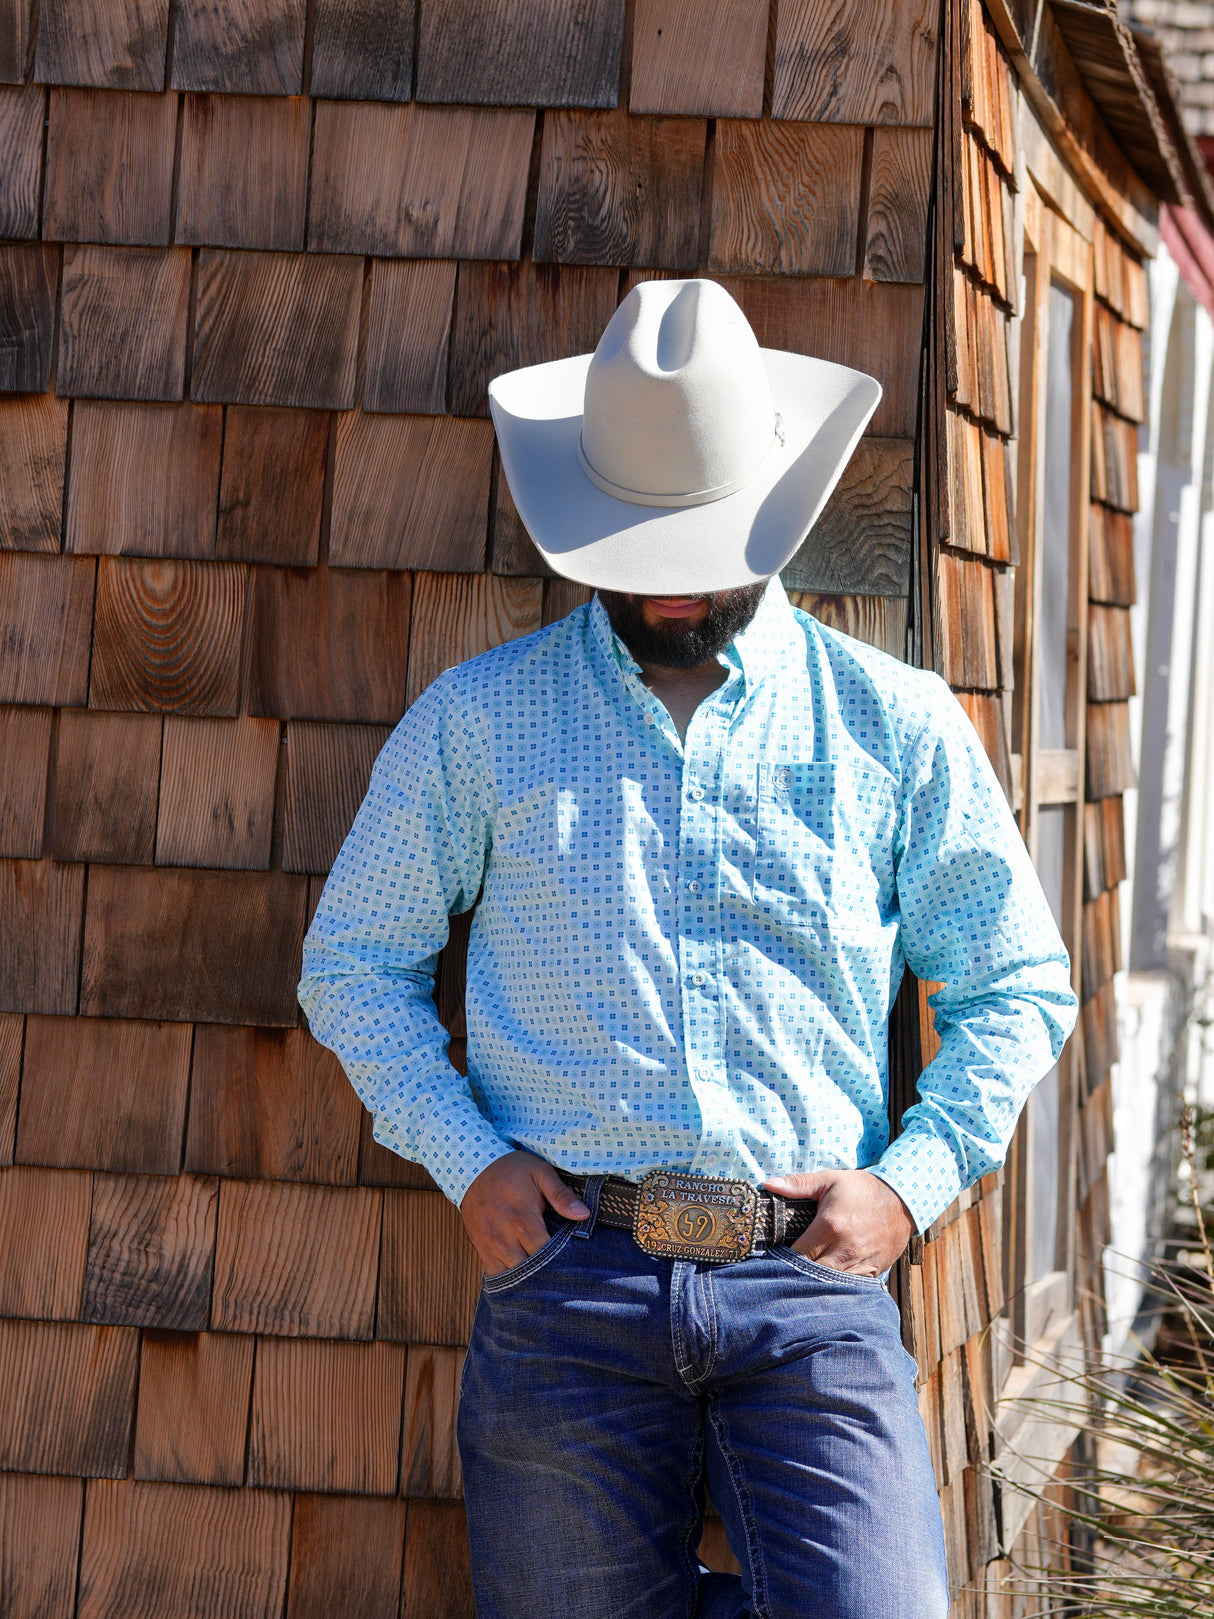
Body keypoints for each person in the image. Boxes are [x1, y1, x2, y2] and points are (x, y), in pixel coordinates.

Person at [299, 279, 1078, 1618]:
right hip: (569, 1287)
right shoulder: (478, 721)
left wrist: (908, 1188)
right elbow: (353, 964)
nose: (672, 590)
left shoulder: (891, 724)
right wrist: (465, 1157)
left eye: (703, 548)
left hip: (809, 1289)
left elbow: (1016, 984)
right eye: (640, 551)